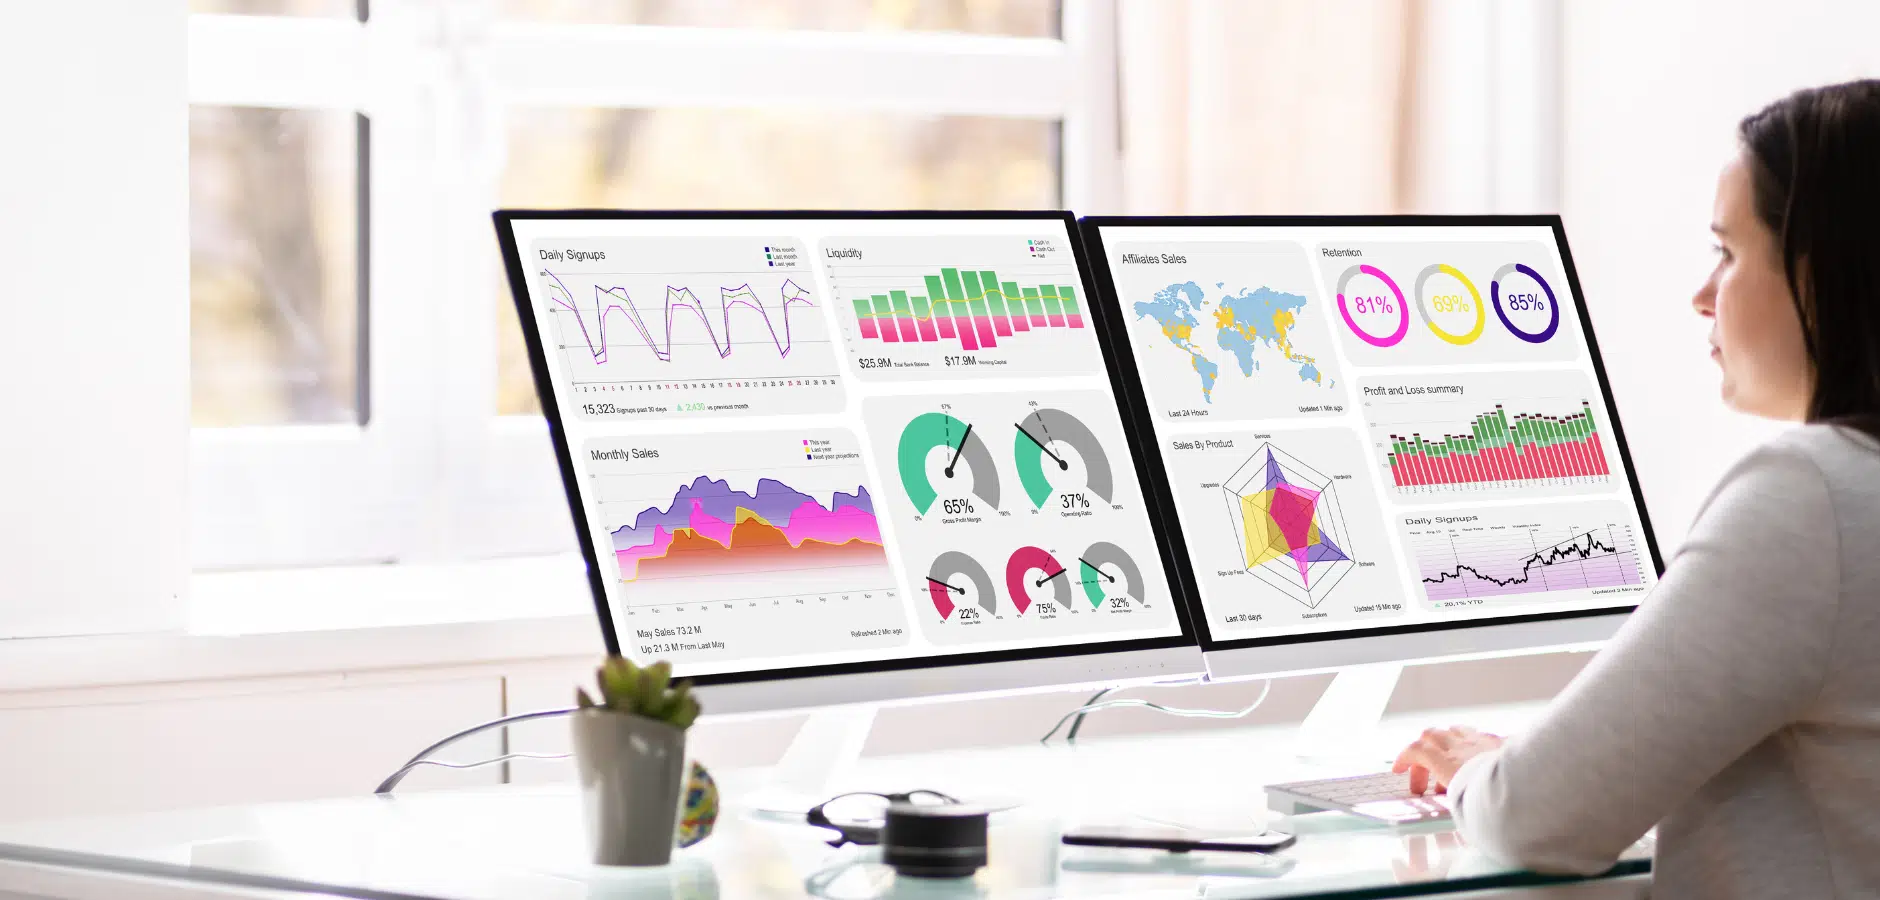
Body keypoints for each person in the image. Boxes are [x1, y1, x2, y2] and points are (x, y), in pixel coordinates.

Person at [1391, 79, 1880, 897]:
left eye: (1727, 253)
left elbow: (1533, 818)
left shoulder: (1811, 496)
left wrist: (1482, 768)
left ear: (1820, 267)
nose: (1701, 296)